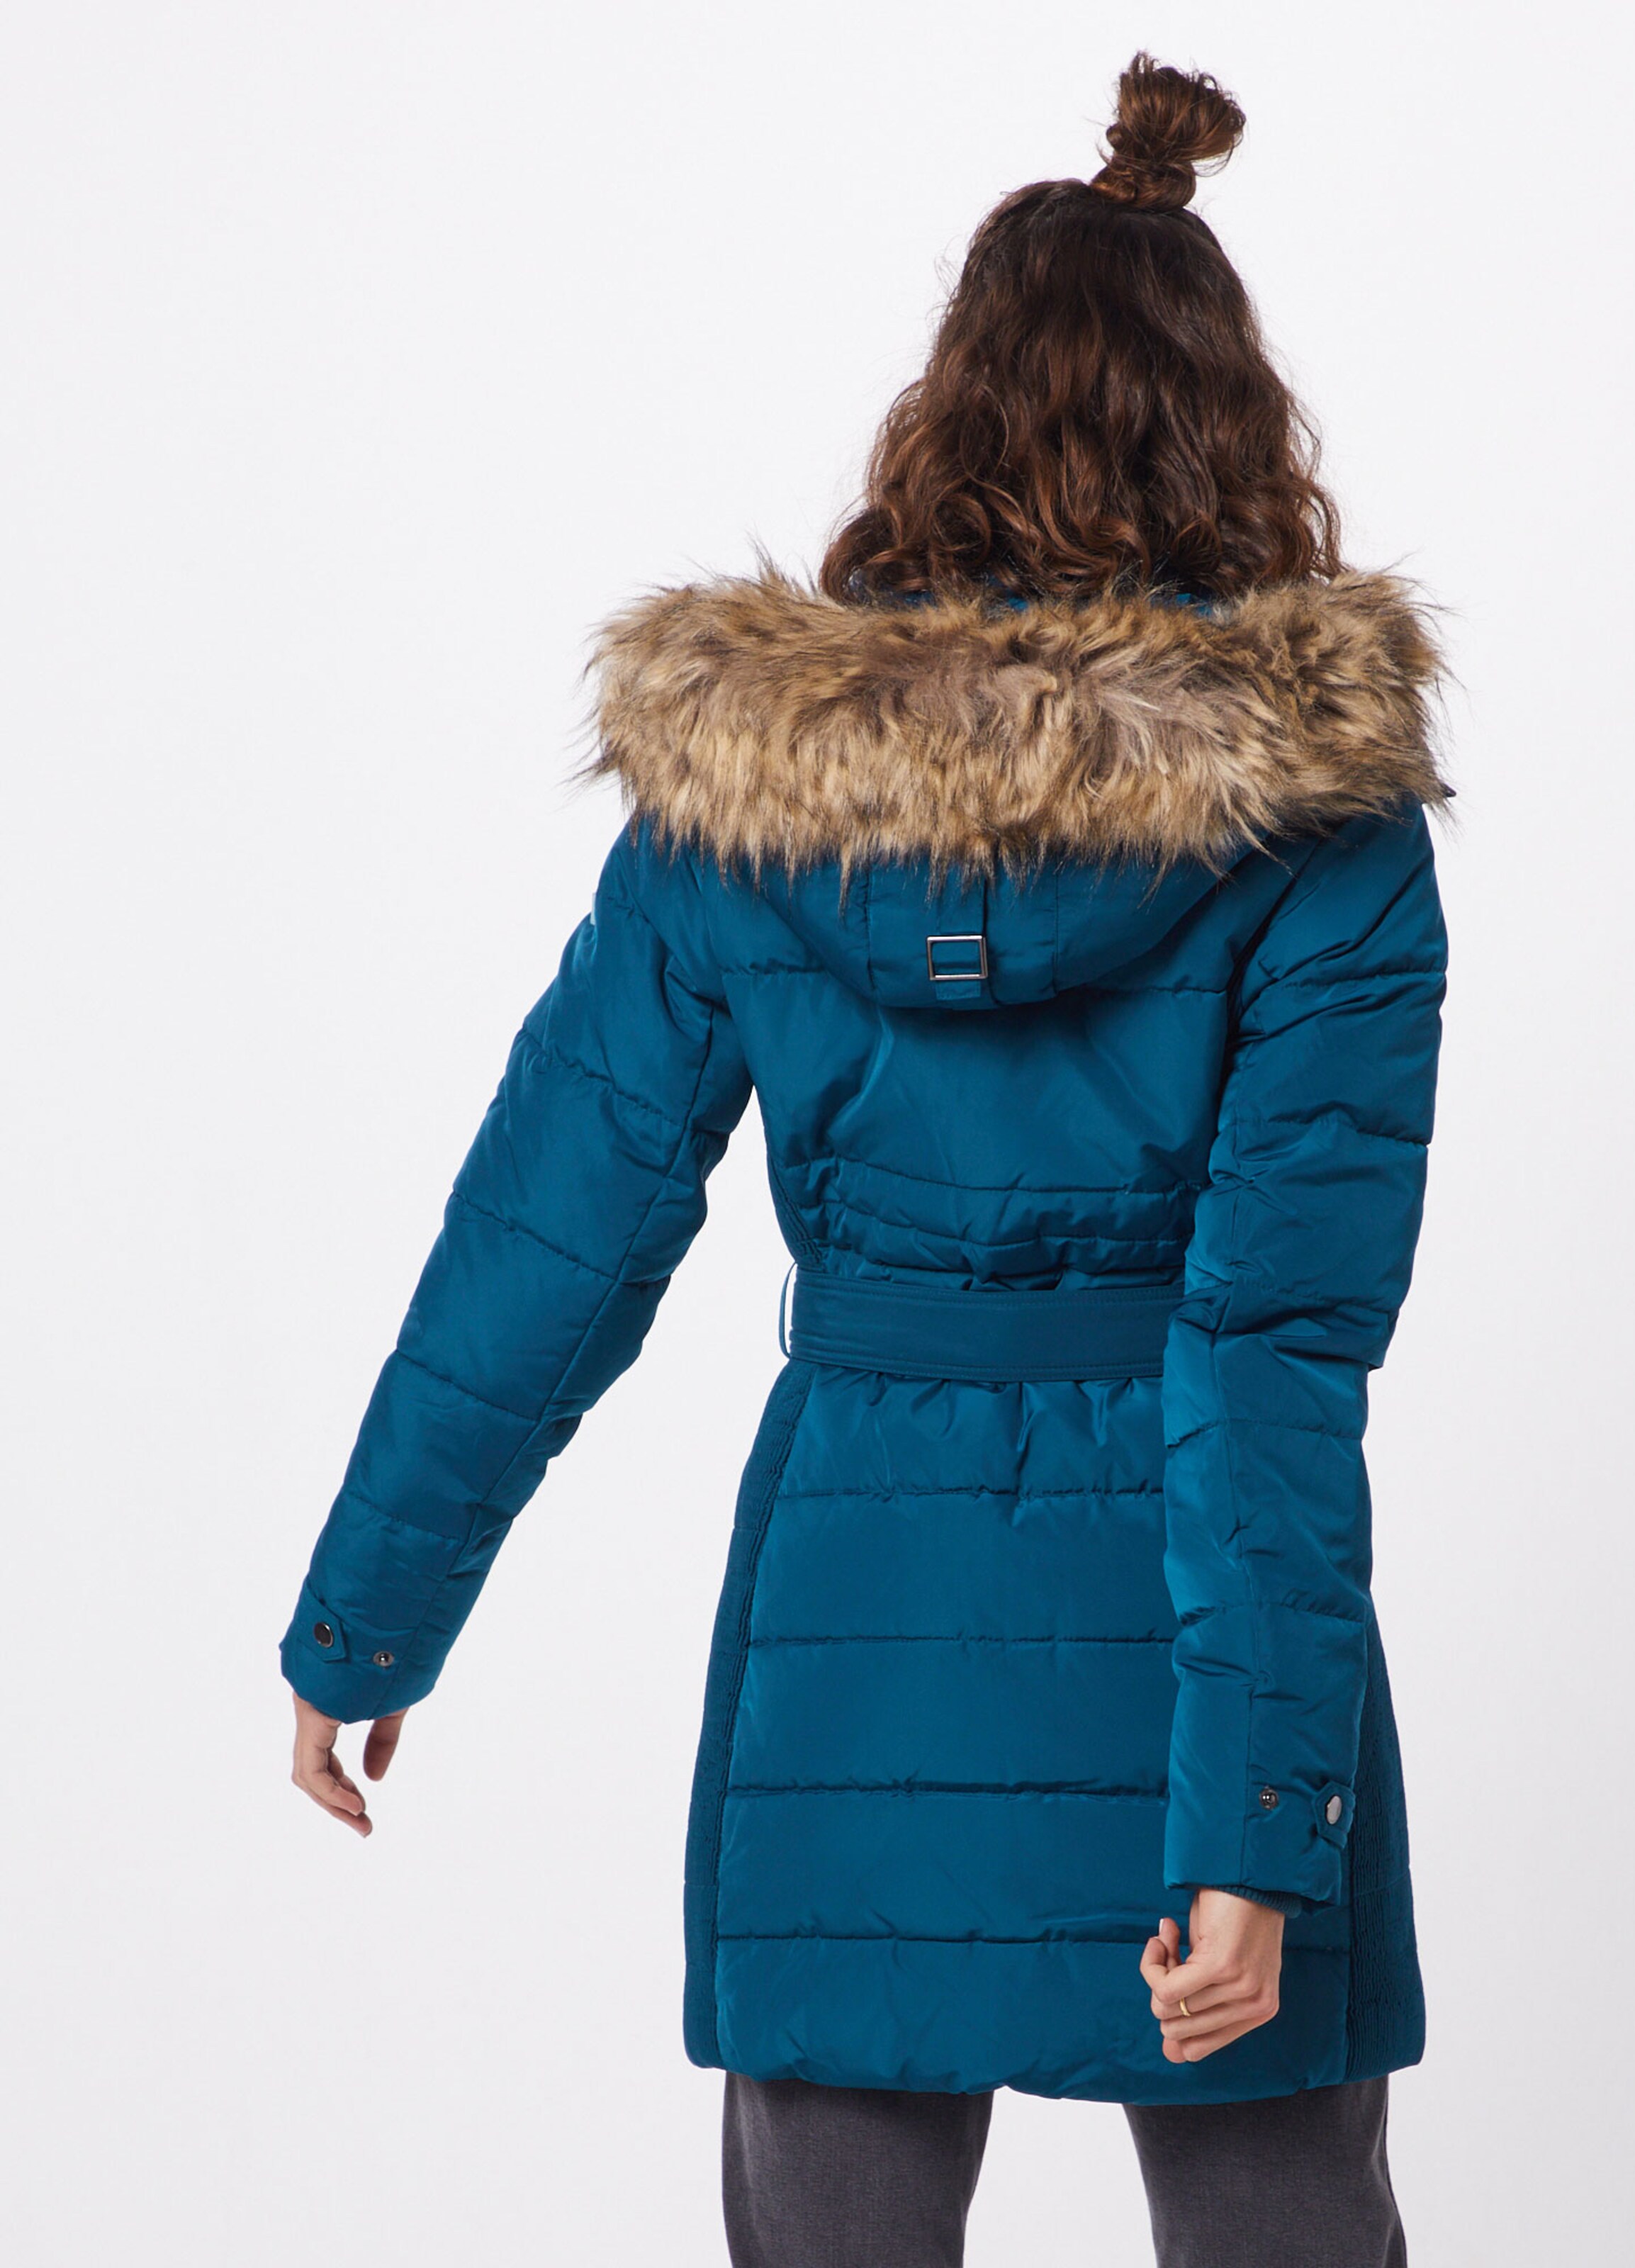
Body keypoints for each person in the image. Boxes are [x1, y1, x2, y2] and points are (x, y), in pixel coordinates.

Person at [282, 53, 1447, 2268]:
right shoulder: (1331, 835)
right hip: (1197, 1632)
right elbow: (1276, 1346)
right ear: (1234, 429)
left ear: (947, 419)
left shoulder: (741, 802)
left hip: (853, 1611)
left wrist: (369, 1613)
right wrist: (1257, 1820)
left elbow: (551, 1230)